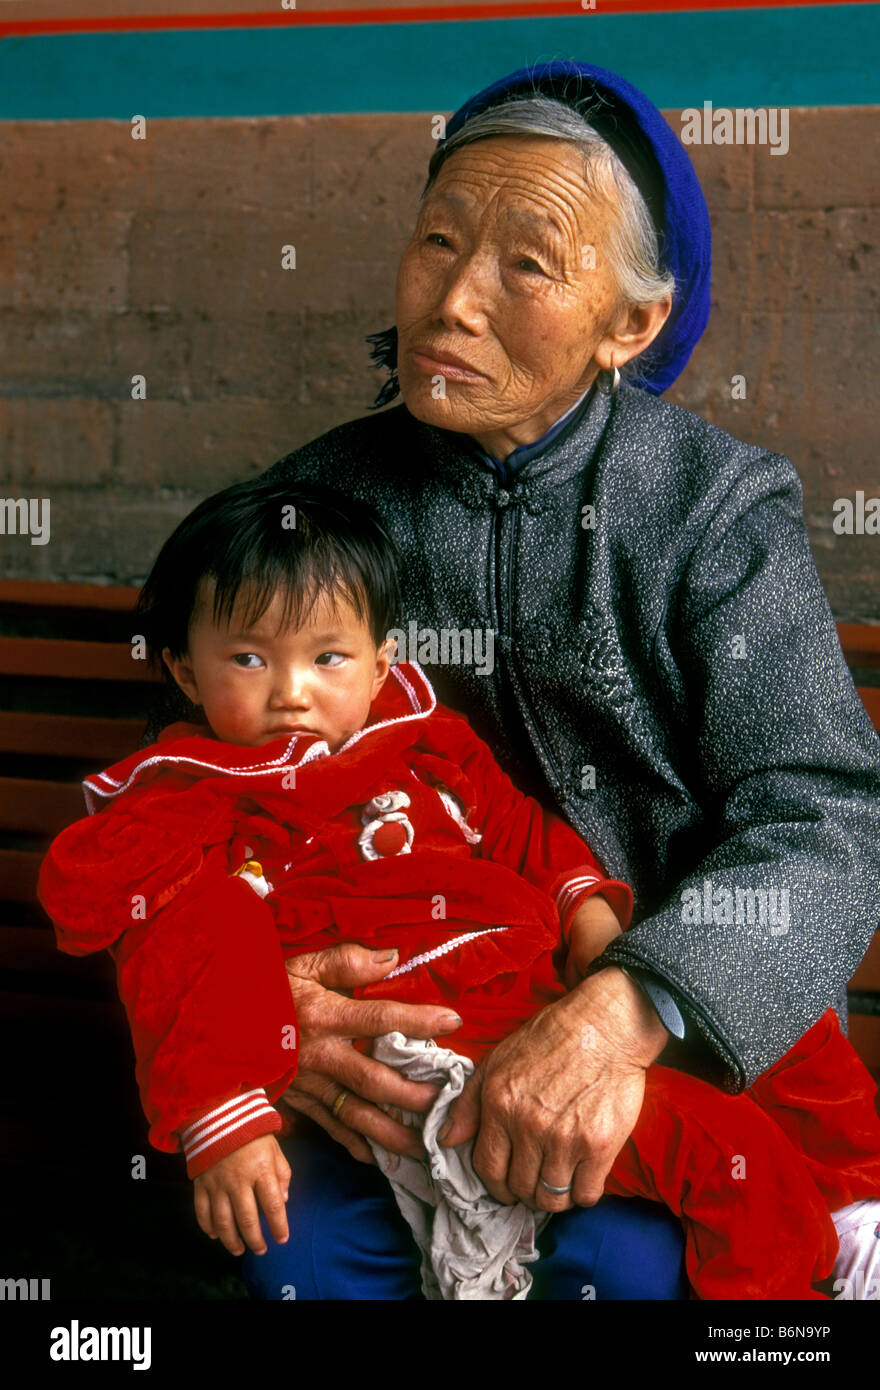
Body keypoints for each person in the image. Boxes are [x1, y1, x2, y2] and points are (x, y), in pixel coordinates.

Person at [141, 61, 880, 1299]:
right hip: (399, 1044)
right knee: (296, 1263)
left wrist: (622, 1011)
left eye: (527, 263)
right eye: (437, 240)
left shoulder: (710, 508)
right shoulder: (315, 512)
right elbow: (185, 797)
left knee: (618, 1267)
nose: (456, 296)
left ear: (629, 324)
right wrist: (268, 1010)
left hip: (661, 1046)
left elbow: (827, 819)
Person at [39, 480, 880, 1301]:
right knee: (726, 1156)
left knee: (749, 988)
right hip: (423, 1065)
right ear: (185, 672)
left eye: (328, 657)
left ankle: (852, 1209)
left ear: (381, 664)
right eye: (249, 658)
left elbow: (523, 832)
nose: (291, 691)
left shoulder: (429, 745)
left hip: (540, 1009)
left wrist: (585, 913)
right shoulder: (190, 800)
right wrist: (224, 1115)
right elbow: (176, 946)